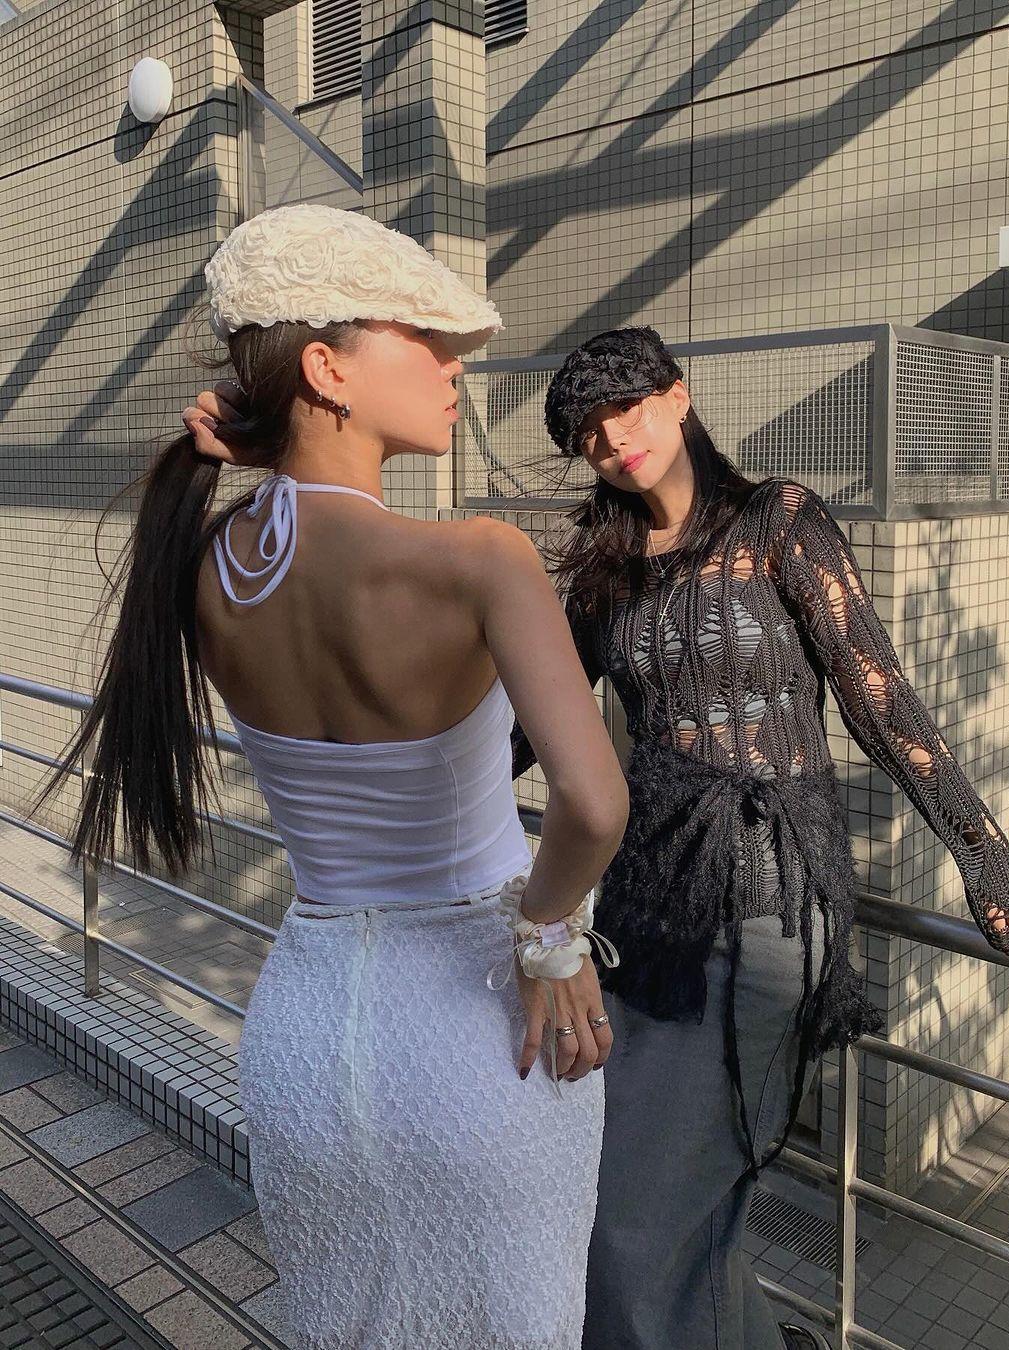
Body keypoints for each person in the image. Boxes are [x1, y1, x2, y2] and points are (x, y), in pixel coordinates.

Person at [42, 203, 629, 1350]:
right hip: (481, 1029)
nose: (456, 367)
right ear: (327, 368)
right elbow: (595, 803)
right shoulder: (479, 558)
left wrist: (269, 452)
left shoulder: (206, 566)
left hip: (307, 1038)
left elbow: (298, 518)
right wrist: (547, 934)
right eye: (426, 339)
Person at [511, 326, 1009, 1350]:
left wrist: (992, 876)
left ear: (678, 397)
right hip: (643, 913)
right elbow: (527, 729)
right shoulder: (605, 573)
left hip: (769, 906)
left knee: (634, 1224)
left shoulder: (778, 519)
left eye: (626, 407)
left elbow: (881, 701)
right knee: (655, 1203)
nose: (612, 438)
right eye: (588, 431)